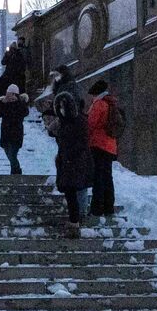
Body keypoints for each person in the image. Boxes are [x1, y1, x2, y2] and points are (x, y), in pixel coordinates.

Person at [51, 91, 93, 238]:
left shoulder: (78, 121)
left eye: (63, 105)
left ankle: (75, 221)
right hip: (67, 162)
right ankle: (75, 220)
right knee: (70, 192)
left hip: (75, 162)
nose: (61, 109)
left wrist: (70, 156)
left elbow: (82, 142)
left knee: (73, 191)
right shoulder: (64, 122)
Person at [86, 79, 122, 217]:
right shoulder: (111, 103)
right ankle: (108, 207)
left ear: (96, 94)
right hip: (110, 146)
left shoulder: (99, 104)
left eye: (92, 95)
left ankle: (96, 208)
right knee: (107, 177)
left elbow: (91, 124)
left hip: (98, 145)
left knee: (98, 178)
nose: (92, 98)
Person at [0, 83, 29, 175]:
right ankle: (15, 172)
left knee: (12, 154)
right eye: (8, 94)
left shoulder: (20, 104)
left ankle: (16, 172)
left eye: (12, 94)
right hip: (6, 132)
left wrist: (18, 102)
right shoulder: (4, 103)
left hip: (16, 133)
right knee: (8, 152)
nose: (10, 96)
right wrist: (2, 103)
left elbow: (25, 112)